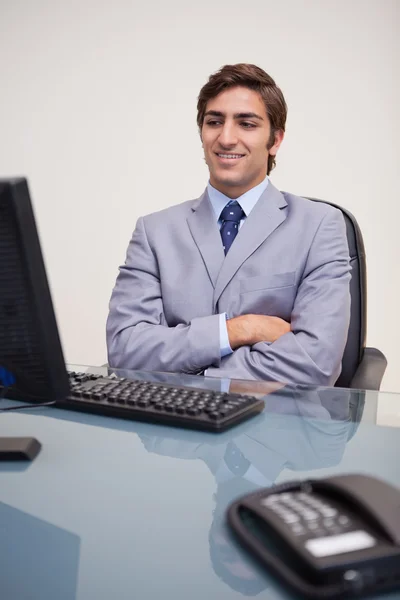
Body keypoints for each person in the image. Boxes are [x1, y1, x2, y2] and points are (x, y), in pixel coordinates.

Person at [106, 63, 351, 385]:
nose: (226, 138)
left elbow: (315, 363)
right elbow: (125, 352)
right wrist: (240, 329)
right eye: (214, 122)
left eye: (246, 124)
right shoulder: (154, 232)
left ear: (275, 140)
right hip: (176, 426)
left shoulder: (320, 225)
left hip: (277, 425)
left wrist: (189, 375)